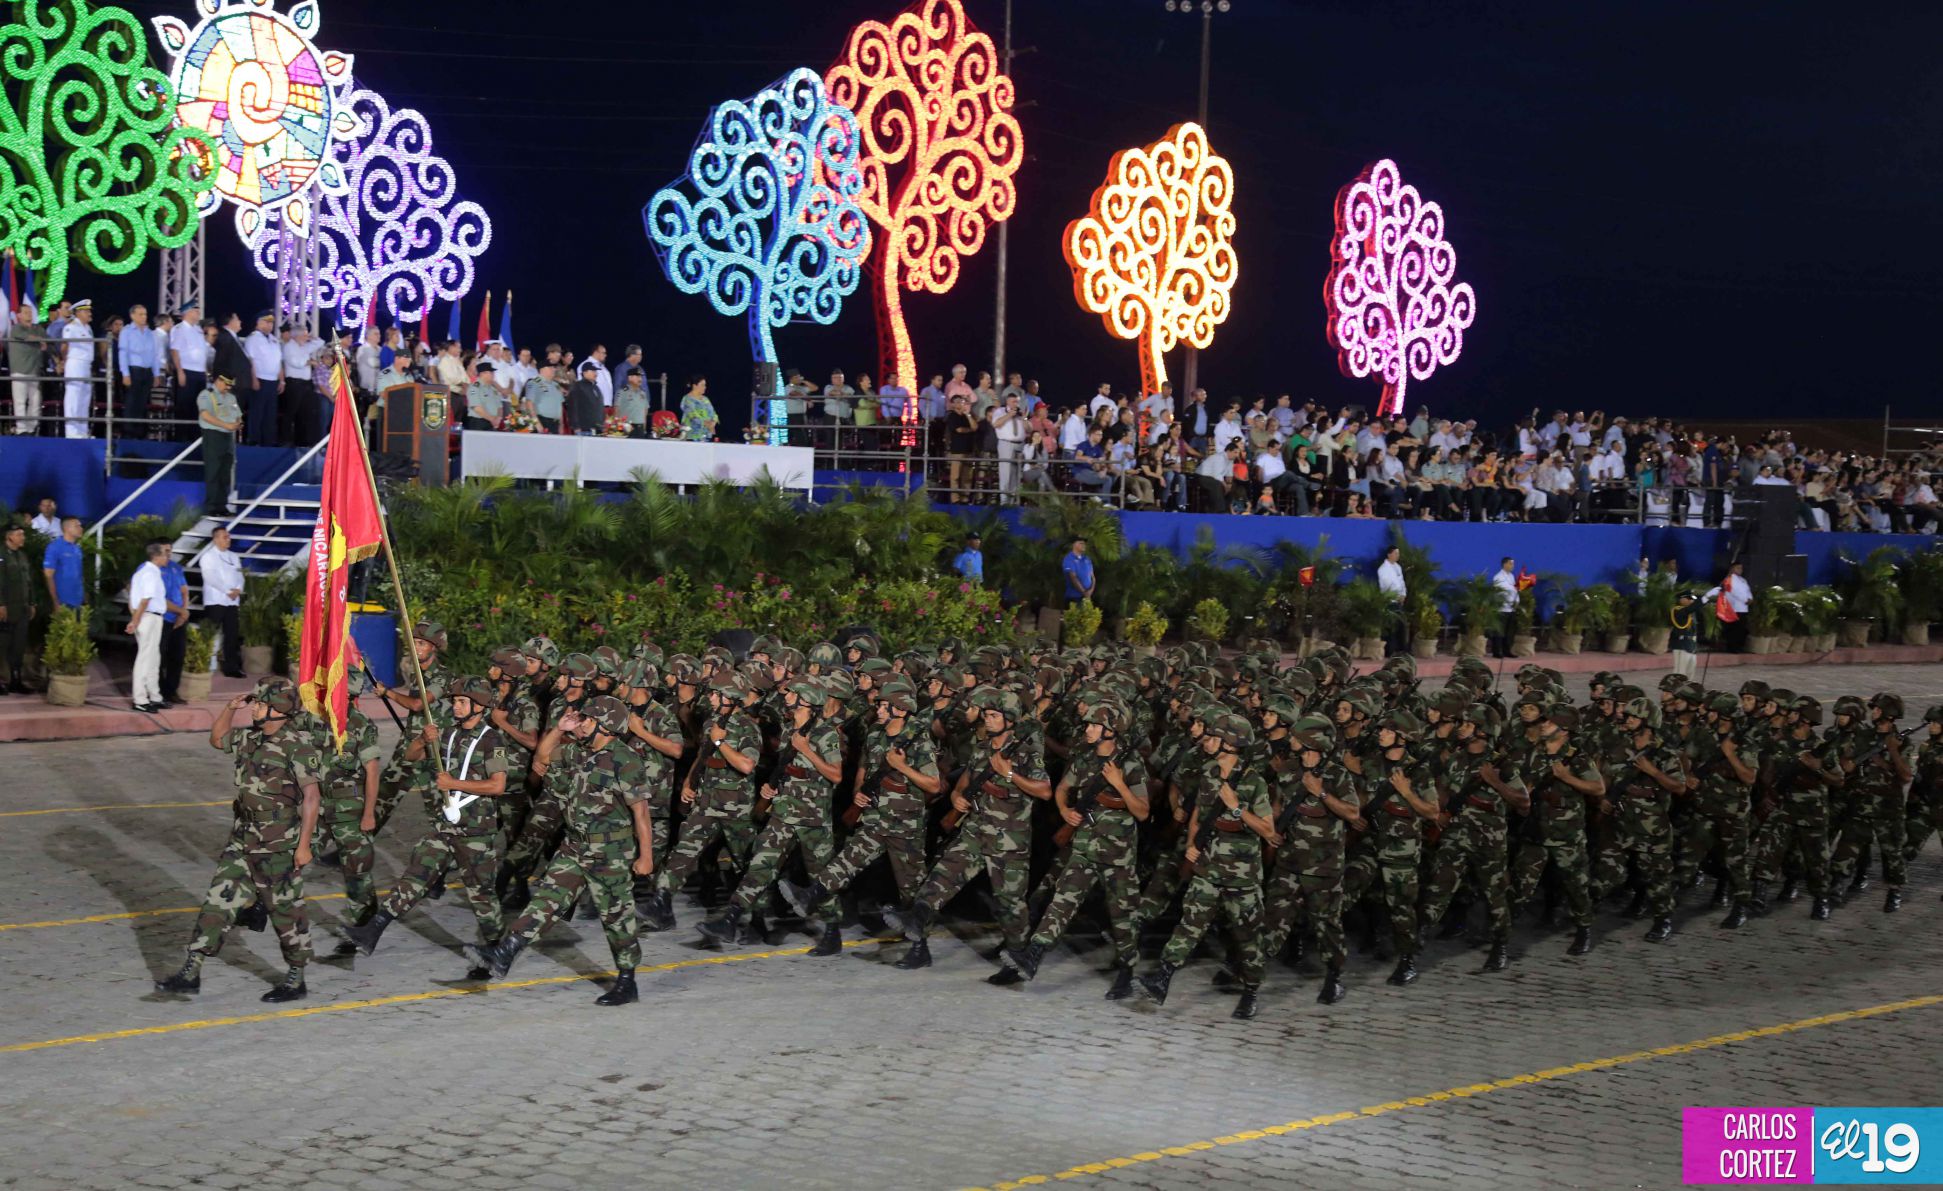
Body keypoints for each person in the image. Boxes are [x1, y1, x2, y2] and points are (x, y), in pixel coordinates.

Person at [154, 678, 324, 1001]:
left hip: (278, 843)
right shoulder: (249, 738)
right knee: (217, 901)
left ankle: (296, 976)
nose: (255, 707)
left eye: (260, 703)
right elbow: (217, 738)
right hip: (242, 837)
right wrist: (229, 709)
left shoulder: (296, 746)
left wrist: (303, 846)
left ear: (279, 710)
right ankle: (191, 971)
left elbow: (312, 798)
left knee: (284, 910)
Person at [340, 676, 514, 960]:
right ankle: (373, 930)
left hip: (475, 831)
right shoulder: (449, 733)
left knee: (481, 895)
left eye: (461, 702)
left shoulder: (493, 741)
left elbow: (497, 785)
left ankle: (496, 947)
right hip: (445, 827)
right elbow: (410, 757)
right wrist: (422, 739)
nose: (455, 707)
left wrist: (453, 784)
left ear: (479, 706)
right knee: (415, 877)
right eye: (455, 701)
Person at [124, 542, 169, 712]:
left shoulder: (146, 572)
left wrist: (135, 617)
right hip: (148, 617)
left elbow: (133, 597)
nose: (167, 557)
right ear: (157, 556)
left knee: (153, 658)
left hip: (150, 617)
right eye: (165, 554)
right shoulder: (150, 573)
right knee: (145, 658)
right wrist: (135, 620)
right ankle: (140, 699)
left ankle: (154, 695)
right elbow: (144, 600)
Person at [199, 526, 246, 678]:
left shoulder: (234, 556)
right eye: (225, 537)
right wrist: (228, 591)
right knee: (211, 632)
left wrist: (238, 589)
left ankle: (231, 667)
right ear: (216, 539)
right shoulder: (208, 557)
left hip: (232, 602)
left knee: (231, 634)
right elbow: (210, 578)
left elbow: (240, 575)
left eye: (228, 537)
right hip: (216, 600)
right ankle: (205, 663)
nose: (228, 539)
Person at [196, 372, 241, 515]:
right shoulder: (206, 394)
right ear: (218, 380)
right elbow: (205, 414)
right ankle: (212, 507)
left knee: (224, 472)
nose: (228, 387)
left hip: (228, 437)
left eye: (230, 385)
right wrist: (225, 425)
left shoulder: (231, 397)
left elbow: (237, 414)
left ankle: (221, 506)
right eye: (226, 384)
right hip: (213, 435)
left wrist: (238, 423)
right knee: (213, 472)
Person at [0, 524, 37, 693]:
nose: (23, 538)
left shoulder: (22, 556)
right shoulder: (1, 555)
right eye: (19, 534)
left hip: (22, 609)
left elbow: (29, 583)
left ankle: (16, 680)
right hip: (6, 609)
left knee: (18, 646)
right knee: (2, 645)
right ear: (9, 537)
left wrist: (32, 603)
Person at [8, 299, 46, 436]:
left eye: (30, 312)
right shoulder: (16, 328)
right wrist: (40, 340)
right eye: (25, 312)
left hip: (34, 371)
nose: (29, 314)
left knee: (35, 401)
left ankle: (31, 428)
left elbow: (48, 341)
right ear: (18, 315)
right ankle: (21, 429)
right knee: (20, 401)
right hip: (20, 370)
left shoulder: (38, 329)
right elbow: (28, 337)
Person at [117, 303, 157, 431]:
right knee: (131, 402)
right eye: (140, 314)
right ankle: (128, 431)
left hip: (147, 371)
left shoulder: (150, 333)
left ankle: (140, 432)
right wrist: (125, 374)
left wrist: (156, 374)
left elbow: (155, 354)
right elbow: (123, 353)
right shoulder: (127, 331)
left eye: (145, 314)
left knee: (143, 402)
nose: (144, 317)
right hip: (134, 370)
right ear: (132, 315)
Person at [158, 545, 189, 705]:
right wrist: (181, 611)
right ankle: (158, 692)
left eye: (170, 550)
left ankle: (171, 691)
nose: (168, 553)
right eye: (165, 550)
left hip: (178, 619)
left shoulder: (176, 568)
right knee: (159, 657)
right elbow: (158, 598)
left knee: (177, 656)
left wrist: (183, 612)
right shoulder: (152, 569)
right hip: (161, 619)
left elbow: (184, 591)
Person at [61, 298, 95, 438]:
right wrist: (63, 361)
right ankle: (72, 432)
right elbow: (64, 346)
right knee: (73, 397)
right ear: (78, 312)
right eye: (86, 311)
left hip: (86, 364)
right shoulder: (71, 327)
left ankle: (82, 430)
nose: (89, 313)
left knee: (84, 397)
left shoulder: (88, 328)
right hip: (75, 363)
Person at [1706, 562, 1752, 652]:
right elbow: (1734, 592)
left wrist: (1750, 598)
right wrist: (1745, 600)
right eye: (1738, 568)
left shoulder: (1743, 580)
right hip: (1734, 607)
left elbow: (1748, 591)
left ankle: (1739, 647)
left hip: (1743, 608)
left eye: (1741, 568)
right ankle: (1732, 648)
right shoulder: (1728, 579)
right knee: (1733, 629)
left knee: (1741, 629)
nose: (1740, 570)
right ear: (1732, 569)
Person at [1376, 545, 1407, 655]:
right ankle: (1390, 651)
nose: (1397, 556)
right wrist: (1395, 596)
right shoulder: (1383, 569)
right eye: (1395, 553)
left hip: (1399, 601)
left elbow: (1401, 582)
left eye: (1398, 553)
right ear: (1389, 554)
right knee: (1391, 628)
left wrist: (1403, 595)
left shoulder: (1398, 567)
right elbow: (1386, 586)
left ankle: (1401, 650)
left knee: (1400, 626)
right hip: (1390, 602)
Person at [521, 362, 565, 433]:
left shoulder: (556, 385)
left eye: (554, 367)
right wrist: (536, 423)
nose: (554, 369)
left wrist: (561, 424)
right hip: (542, 421)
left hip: (555, 423)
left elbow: (560, 405)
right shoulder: (534, 382)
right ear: (542, 370)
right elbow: (529, 404)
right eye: (550, 368)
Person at [567, 360, 605, 435]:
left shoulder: (596, 387)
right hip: (584, 429)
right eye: (593, 371)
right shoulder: (578, 386)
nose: (596, 373)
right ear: (584, 373)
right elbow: (573, 407)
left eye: (596, 371)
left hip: (597, 429)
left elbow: (599, 407)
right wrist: (576, 426)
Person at [1491, 556, 1519, 658]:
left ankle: (1507, 650)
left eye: (1513, 564)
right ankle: (1497, 652)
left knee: (1509, 632)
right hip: (1501, 608)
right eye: (1511, 563)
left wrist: (1516, 601)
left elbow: (1515, 590)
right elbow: (1505, 591)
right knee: (1499, 631)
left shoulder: (1511, 576)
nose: (1513, 566)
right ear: (1505, 564)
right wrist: (1511, 598)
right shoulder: (1498, 577)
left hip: (1511, 609)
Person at [1669, 589, 1699, 678]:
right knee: (1680, 673)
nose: (1692, 601)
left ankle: (1687, 690)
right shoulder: (1678, 610)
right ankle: (1675, 691)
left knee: (1690, 672)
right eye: (1689, 598)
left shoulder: (1691, 612)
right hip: (1682, 645)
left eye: (1692, 599)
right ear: (1681, 599)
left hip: (1691, 645)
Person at [678, 375, 717, 441]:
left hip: (706, 435)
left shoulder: (705, 399)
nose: (705, 387)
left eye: (705, 385)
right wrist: (707, 424)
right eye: (702, 385)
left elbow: (713, 413)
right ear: (694, 386)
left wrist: (713, 422)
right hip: (692, 436)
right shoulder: (687, 399)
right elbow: (693, 416)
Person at [1062, 537, 1095, 606]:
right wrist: (1085, 593)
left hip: (1087, 596)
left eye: (1084, 544)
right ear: (1074, 545)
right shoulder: (1068, 559)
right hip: (1074, 598)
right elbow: (1073, 577)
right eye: (1081, 543)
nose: (1084, 545)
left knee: (1087, 616)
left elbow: (1092, 577)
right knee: (1075, 616)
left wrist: (1090, 591)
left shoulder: (1087, 559)